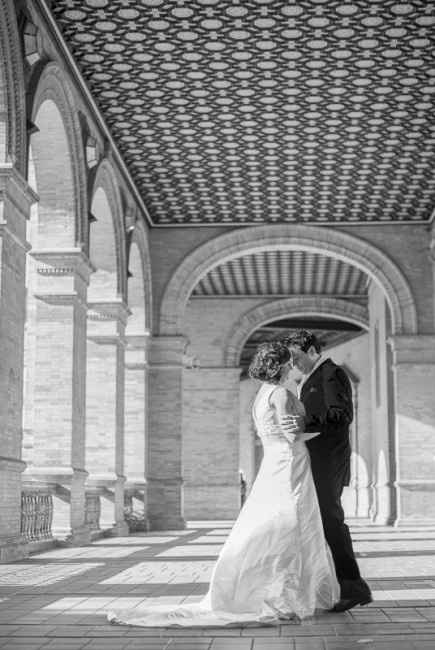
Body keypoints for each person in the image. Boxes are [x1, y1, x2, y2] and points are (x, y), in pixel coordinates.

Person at [107, 340, 339, 627]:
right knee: (291, 524)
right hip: (291, 462)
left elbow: (275, 432)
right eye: (288, 361)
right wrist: (321, 433)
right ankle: (281, 598)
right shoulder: (281, 393)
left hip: (273, 464)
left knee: (275, 522)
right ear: (279, 366)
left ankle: (278, 594)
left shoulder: (261, 396)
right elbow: (292, 436)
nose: (292, 365)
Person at [281, 330, 372, 612]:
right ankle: (331, 585)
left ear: (311, 351)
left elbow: (341, 415)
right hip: (316, 460)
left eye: (296, 357)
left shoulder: (331, 373)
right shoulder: (309, 378)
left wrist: (302, 424)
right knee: (323, 523)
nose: (294, 364)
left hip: (329, 460)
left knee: (332, 521)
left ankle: (354, 586)